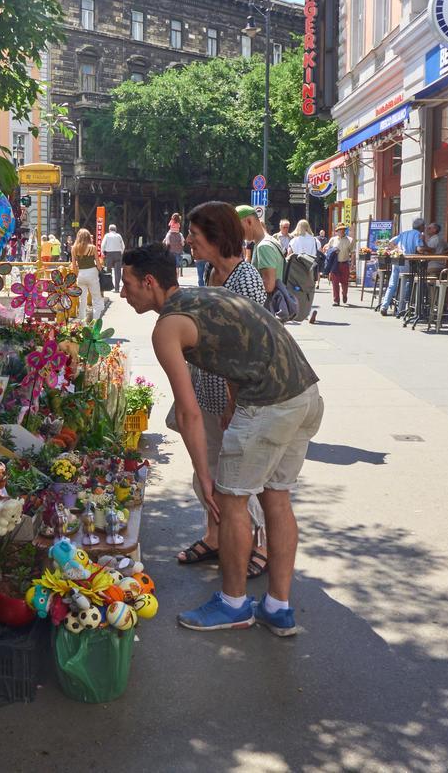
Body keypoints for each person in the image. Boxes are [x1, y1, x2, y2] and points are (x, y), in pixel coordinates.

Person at [120, 243, 325, 635]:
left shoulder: (168, 327)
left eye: (128, 284)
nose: (123, 293)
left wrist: (205, 475)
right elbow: (237, 347)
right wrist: (232, 401)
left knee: (231, 505)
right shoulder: (206, 295)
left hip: (269, 404)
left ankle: (234, 605)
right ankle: (278, 608)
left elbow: (188, 411)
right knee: (277, 498)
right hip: (305, 394)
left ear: (149, 282)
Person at [176, 202, 269, 578]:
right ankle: (214, 535)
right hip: (210, 391)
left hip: (238, 398)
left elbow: (244, 347)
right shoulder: (214, 273)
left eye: (195, 235)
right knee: (210, 470)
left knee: (240, 476)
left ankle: (258, 544)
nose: (188, 241)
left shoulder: (244, 278)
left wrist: (234, 401)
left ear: (216, 237)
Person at [379, 217, 426, 316]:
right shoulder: (418, 234)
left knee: (393, 283)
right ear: (421, 227)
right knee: (406, 282)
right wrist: (427, 247)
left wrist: (396, 249)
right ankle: (401, 309)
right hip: (407, 260)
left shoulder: (404, 233)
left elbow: (390, 242)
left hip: (397, 258)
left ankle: (384, 306)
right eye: (424, 226)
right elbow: (420, 249)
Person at [235, 205, 282, 299]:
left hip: (266, 309)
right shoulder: (271, 241)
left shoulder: (264, 246)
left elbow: (268, 286)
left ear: (249, 221)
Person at [70, 228, 102, 322]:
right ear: (88, 237)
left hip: (81, 274)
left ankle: (82, 324)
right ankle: (95, 322)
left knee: (82, 300)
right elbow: (98, 264)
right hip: (92, 273)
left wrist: (76, 275)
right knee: (96, 299)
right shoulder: (92, 248)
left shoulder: (74, 248)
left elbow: (73, 266)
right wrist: (100, 269)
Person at [325, 224, 355, 306]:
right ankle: (336, 300)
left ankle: (344, 294)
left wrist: (352, 264)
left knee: (345, 282)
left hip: (345, 263)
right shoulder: (332, 240)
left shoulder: (350, 240)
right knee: (335, 283)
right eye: (340, 230)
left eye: (343, 229)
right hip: (335, 264)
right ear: (337, 231)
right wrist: (332, 250)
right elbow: (327, 250)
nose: (341, 231)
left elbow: (352, 253)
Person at [101, 223, 126, 291]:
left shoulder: (107, 235)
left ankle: (109, 286)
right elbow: (123, 246)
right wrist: (121, 253)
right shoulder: (119, 236)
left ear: (109, 229)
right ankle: (117, 288)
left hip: (109, 254)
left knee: (109, 271)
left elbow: (103, 245)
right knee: (117, 272)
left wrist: (102, 252)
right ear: (115, 229)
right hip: (118, 254)